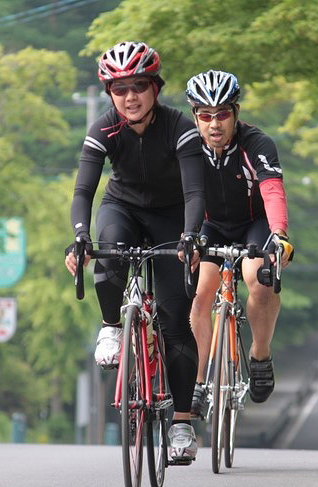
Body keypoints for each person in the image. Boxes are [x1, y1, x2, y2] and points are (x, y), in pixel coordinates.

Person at [64, 41, 204, 462]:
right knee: (106, 250)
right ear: (109, 94)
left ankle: (181, 424)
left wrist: (191, 236)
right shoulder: (102, 129)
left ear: (156, 88)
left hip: (171, 217)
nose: (131, 97)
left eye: (139, 85)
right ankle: (111, 325)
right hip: (121, 208)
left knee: (176, 319)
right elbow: (84, 190)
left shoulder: (180, 127)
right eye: (120, 88)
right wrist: (78, 235)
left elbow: (196, 191)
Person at [184, 70, 293, 418]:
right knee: (200, 296)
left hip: (253, 225)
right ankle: (198, 381)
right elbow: (177, 199)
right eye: (205, 115)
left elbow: (273, 191)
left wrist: (279, 235)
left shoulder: (257, 144)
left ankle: (260, 354)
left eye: (222, 114)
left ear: (236, 112)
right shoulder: (186, 147)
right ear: (194, 117)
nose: (214, 124)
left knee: (259, 281)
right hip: (210, 226)